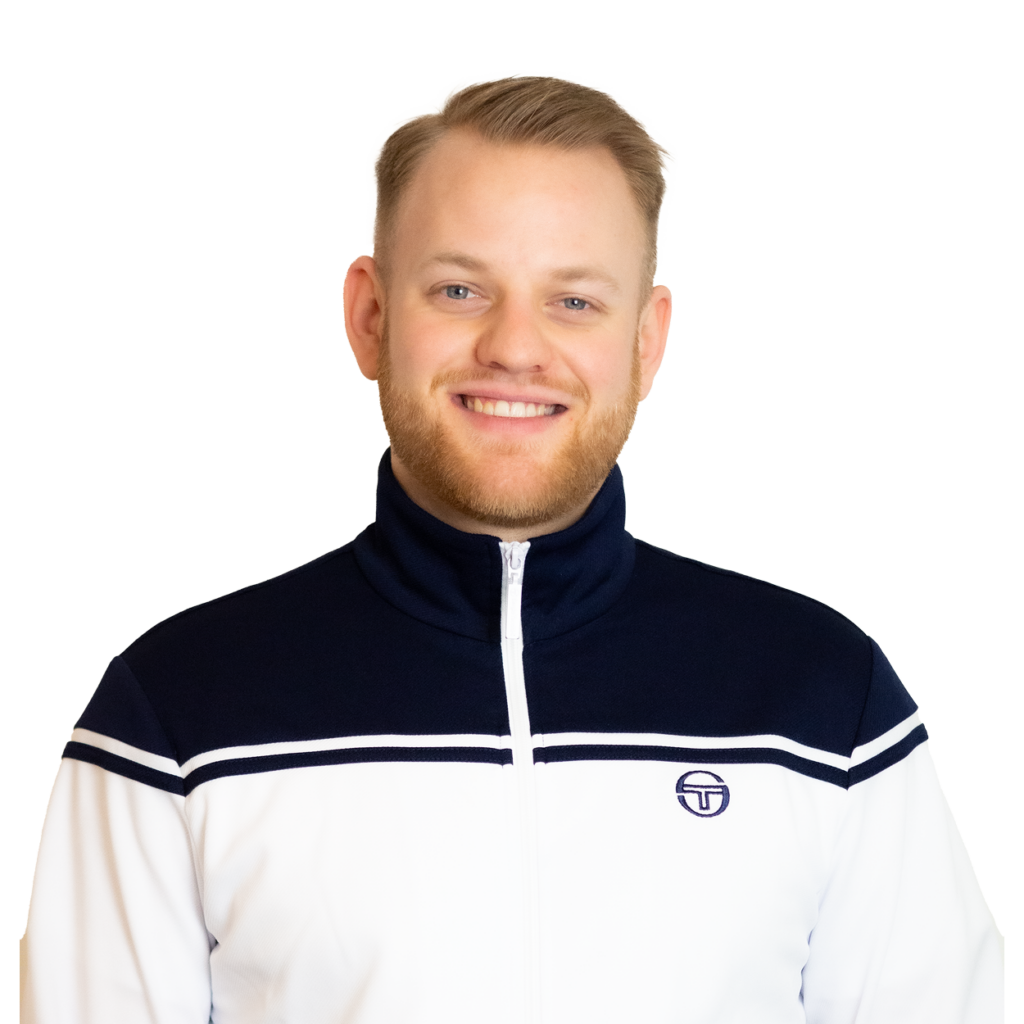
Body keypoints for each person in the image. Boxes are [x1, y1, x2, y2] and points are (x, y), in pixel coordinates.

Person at [24, 76, 1002, 1024]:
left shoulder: (826, 698)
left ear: (645, 342)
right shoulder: (175, 711)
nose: (515, 347)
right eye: (459, 289)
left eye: (573, 301)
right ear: (370, 317)